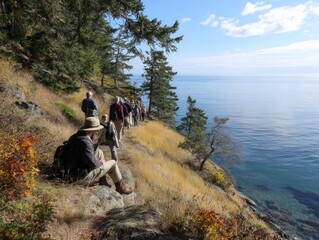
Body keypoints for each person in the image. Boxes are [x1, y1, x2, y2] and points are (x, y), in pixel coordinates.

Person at [62, 117, 133, 194]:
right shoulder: (85, 142)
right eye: (96, 129)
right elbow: (93, 164)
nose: (97, 131)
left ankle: (103, 180)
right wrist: (102, 163)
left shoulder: (75, 136)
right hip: (79, 177)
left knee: (99, 152)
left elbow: (85, 156)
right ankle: (120, 188)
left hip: (70, 172)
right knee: (113, 163)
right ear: (93, 130)